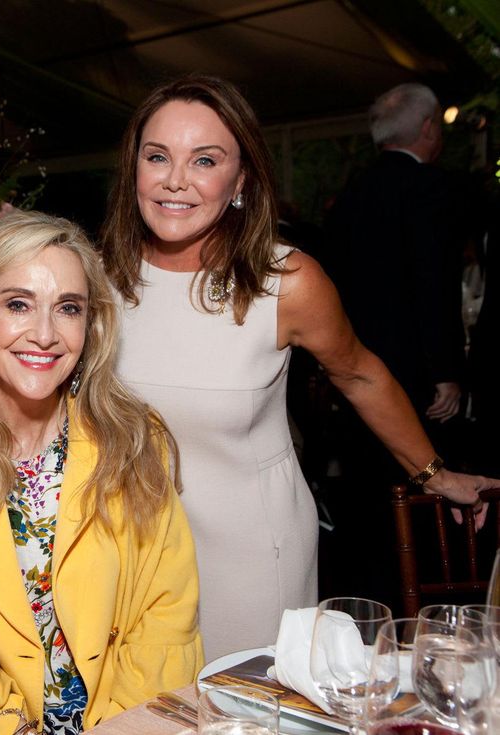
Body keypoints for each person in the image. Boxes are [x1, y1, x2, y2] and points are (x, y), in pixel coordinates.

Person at [99, 73, 497, 659]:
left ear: (241, 180)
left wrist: (433, 473)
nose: (175, 180)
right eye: (157, 156)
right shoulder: (94, 277)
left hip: (249, 554)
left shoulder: (285, 281)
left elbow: (359, 374)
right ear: (134, 168)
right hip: (125, 548)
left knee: (246, 712)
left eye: (204, 160)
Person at [0, 211, 202, 735]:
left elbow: (166, 619)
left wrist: (115, 727)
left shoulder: (131, 442)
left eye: (68, 309)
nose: (44, 334)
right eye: (17, 305)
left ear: (90, 324)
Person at [323, 83, 471, 605]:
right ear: (429, 129)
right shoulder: (429, 188)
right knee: (426, 497)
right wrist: (447, 370)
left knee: (371, 503)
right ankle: (425, 606)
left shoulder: (349, 194)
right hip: (410, 377)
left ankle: (377, 600)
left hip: (349, 372)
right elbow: (435, 286)